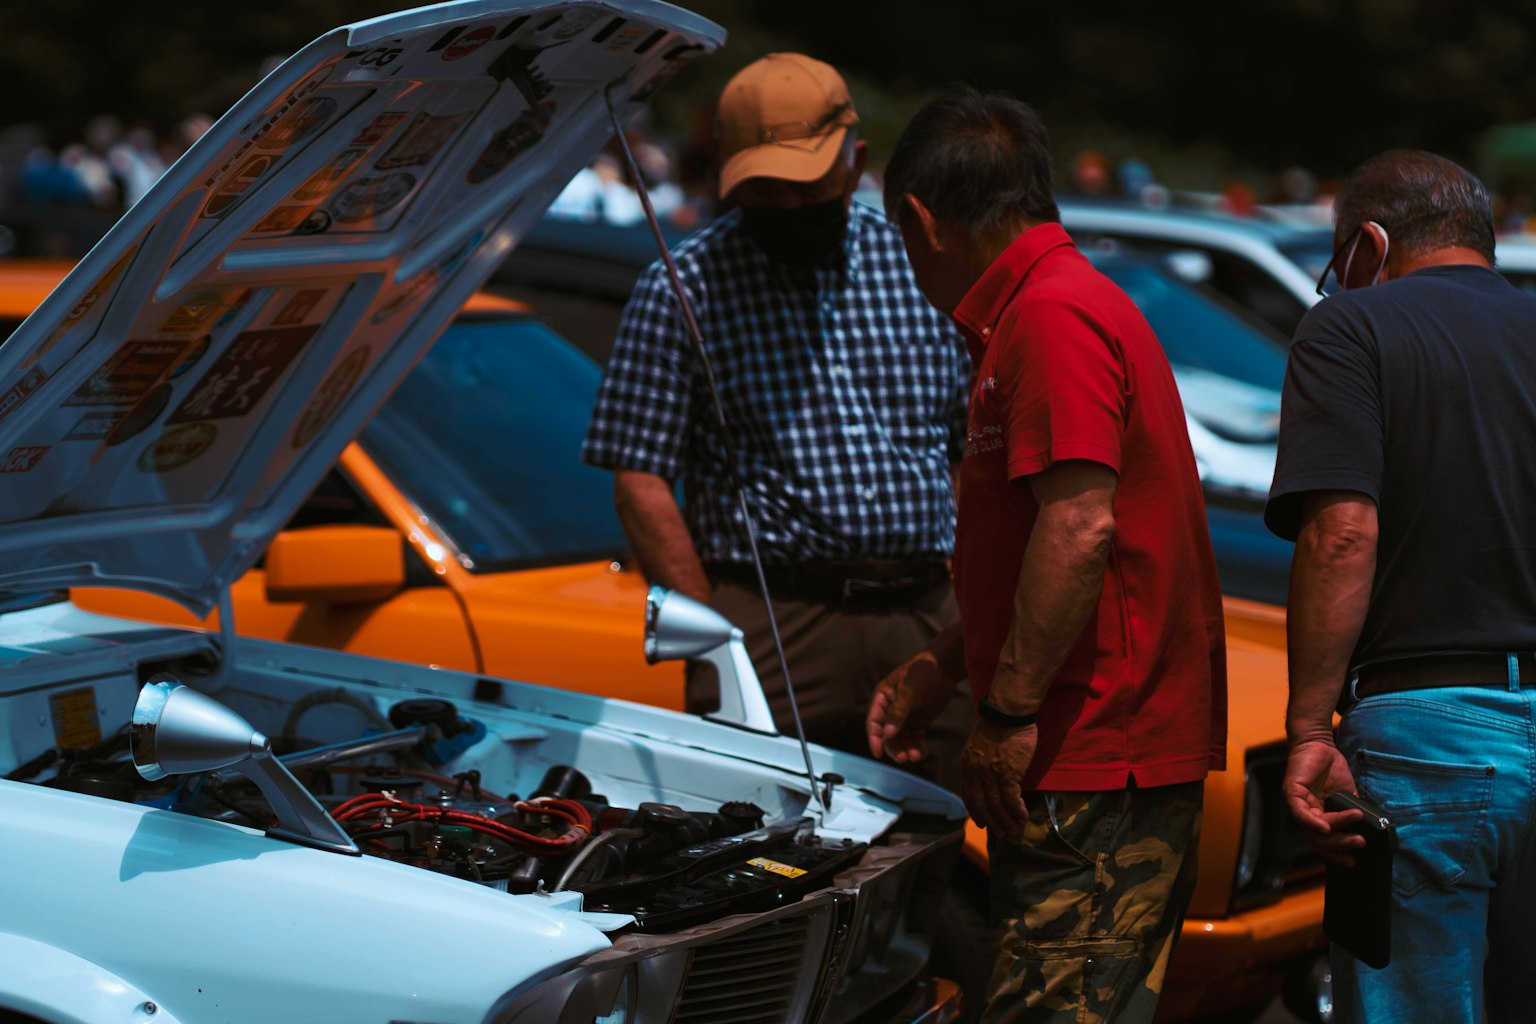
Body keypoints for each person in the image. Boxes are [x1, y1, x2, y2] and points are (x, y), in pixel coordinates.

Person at [867, 87, 1227, 1022]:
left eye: (903, 243)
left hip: (1097, 749)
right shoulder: (1046, 305)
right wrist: (947, 663)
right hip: (1090, 744)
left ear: (921, 219)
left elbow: (1078, 528)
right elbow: (1043, 539)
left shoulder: (1052, 316)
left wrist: (1005, 714)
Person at [581, 53, 972, 775]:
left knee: (932, 827)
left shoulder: (925, 266)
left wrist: (967, 603)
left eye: (806, 186)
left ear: (854, 165)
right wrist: (713, 635)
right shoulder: (682, 287)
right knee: (762, 839)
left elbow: (967, 447)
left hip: (927, 611)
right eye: (765, 189)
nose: (789, 208)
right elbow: (640, 478)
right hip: (772, 615)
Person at [1266, 149, 1536, 1023]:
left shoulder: (1350, 328)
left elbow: (1342, 532)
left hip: (1427, 737)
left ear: (1368, 245)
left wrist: (1309, 725)